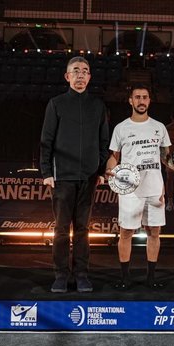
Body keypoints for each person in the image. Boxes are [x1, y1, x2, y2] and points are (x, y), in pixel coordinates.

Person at [40, 56, 109, 293]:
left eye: (85, 71)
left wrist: (100, 170)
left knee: (83, 229)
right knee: (61, 229)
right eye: (76, 70)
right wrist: (46, 171)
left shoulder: (98, 106)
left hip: (89, 177)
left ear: (89, 77)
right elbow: (46, 140)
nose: (80, 74)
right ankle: (60, 275)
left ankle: (81, 275)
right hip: (62, 177)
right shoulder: (56, 104)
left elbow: (103, 141)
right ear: (67, 76)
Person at [105, 85, 171, 290]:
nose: (141, 101)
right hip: (130, 188)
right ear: (130, 101)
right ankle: (125, 278)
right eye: (137, 97)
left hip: (155, 187)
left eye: (145, 97)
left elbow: (167, 157)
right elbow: (113, 157)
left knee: (154, 232)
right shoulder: (121, 128)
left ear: (149, 100)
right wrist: (109, 170)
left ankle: (151, 278)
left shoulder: (159, 127)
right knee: (126, 233)